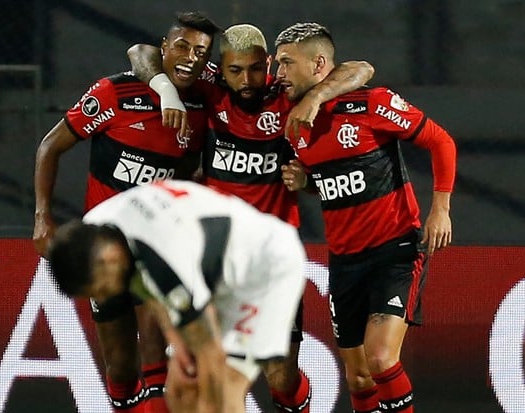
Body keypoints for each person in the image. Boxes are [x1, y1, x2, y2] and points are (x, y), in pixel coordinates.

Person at [126, 23, 374, 412]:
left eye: (257, 69)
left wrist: (316, 99)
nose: (247, 79)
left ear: (269, 64)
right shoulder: (210, 91)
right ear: (220, 69)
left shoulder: (286, 94)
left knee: (281, 378)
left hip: (273, 256)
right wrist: (167, 91)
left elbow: (361, 69)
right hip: (215, 251)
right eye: (236, 70)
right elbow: (140, 52)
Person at [33, 12, 220, 413]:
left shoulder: (205, 96)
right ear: (165, 47)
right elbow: (50, 146)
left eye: (201, 52)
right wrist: (42, 215)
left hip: (157, 245)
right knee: (120, 367)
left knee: (155, 350)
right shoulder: (114, 94)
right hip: (105, 248)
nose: (191, 57)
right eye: (182, 46)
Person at [276, 23, 456, 413]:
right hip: (344, 260)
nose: (279, 73)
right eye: (277, 64)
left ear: (319, 64)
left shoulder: (370, 104)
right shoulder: (293, 122)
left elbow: (440, 141)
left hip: (395, 249)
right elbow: (333, 182)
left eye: (288, 63)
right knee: (358, 376)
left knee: (380, 359)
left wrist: (440, 208)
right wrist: (307, 181)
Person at [47, 179, 308, 413]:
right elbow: (150, 289)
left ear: (108, 259)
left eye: (100, 289)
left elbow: (208, 350)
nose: (104, 297)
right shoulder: (99, 227)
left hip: (265, 269)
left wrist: (196, 360)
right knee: (182, 391)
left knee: (223, 387)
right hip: (214, 268)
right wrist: (179, 346)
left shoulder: (162, 256)